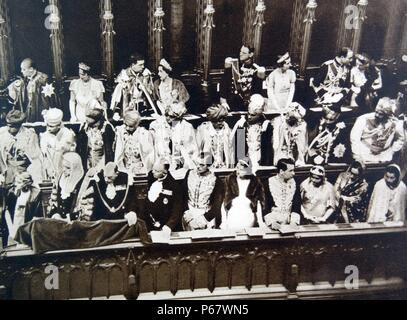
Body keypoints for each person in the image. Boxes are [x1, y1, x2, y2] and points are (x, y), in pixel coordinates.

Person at [351, 97, 404, 163]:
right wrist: (357, 156)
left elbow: (401, 139)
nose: (377, 115)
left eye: (381, 114)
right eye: (376, 112)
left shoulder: (396, 123)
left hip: (384, 158)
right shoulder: (363, 119)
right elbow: (354, 138)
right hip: (363, 155)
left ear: (388, 115)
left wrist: (392, 151)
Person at [149, 102, 198, 171]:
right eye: (166, 115)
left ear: (179, 117)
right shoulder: (157, 125)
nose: (167, 118)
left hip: (181, 163)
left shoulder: (186, 126)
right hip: (162, 162)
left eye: (171, 116)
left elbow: (191, 149)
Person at [0, 110, 42, 188]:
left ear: (19, 126)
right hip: (6, 172)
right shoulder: (2, 133)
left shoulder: (29, 135)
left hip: (23, 173)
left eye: (12, 126)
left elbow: (36, 158)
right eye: (8, 125)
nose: (9, 129)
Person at [221, 158, 267, 230]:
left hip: (249, 217)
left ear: (248, 170)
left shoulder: (255, 182)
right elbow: (223, 203)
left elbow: (259, 203)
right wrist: (224, 222)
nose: (238, 172)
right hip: (232, 217)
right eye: (237, 168)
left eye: (241, 169)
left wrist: (261, 222)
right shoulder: (229, 180)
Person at [182, 154, 224, 231]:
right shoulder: (189, 174)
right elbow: (183, 195)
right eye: (197, 163)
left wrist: (204, 219)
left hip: (205, 215)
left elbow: (217, 205)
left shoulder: (216, 180)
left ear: (209, 166)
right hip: (189, 213)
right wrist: (186, 211)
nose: (198, 167)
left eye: (201, 165)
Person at [231, 94, 273, 171]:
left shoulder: (266, 125)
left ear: (259, 115)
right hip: (245, 160)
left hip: (260, 159)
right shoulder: (242, 124)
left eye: (253, 115)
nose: (249, 117)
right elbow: (239, 148)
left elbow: (268, 148)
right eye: (249, 114)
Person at [7, 58, 57, 122]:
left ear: (31, 69)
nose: (21, 71)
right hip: (28, 111)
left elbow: (48, 99)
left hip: (40, 111)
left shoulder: (43, 79)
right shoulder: (24, 80)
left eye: (24, 69)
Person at [141, 159, 184, 233]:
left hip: (165, 226)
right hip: (149, 224)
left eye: (157, 171)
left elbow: (177, 209)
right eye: (153, 169)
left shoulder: (174, 186)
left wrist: (169, 225)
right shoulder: (150, 177)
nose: (153, 172)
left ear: (165, 172)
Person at [307, 93, 351, 165]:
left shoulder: (342, 130)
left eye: (331, 119)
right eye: (325, 118)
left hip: (333, 162)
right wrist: (315, 156)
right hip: (315, 160)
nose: (327, 121)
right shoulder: (317, 126)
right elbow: (311, 146)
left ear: (338, 115)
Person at [220, 45, 266, 111]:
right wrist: (223, 101)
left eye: (244, 53)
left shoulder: (256, 69)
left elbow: (257, 91)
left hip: (248, 105)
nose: (240, 54)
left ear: (251, 54)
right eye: (240, 52)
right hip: (231, 103)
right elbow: (224, 84)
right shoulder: (234, 66)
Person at [2, 172, 43, 247]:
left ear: (25, 183)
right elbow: (8, 209)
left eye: (18, 182)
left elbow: (37, 212)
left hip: (27, 220)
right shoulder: (12, 192)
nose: (15, 184)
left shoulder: (35, 193)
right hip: (15, 219)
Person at [110, 53, 155, 118]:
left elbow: (150, 91)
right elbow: (117, 94)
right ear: (133, 65)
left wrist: (144, 87)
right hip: (128, 105)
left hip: (142, 104)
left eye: (143, 64)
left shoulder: (145, 74)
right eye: (140, 65)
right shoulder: (124, 74)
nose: (143, 66)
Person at [263, 158, 301, 230]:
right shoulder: (268, 183)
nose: (294, 173)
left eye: (293, 170)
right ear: (281, 171)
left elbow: (297, 204)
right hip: (272, 222)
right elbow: (265, 205)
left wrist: (294, 222)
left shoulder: (295, 183)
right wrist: (272, 222)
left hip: (289, 223)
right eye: (290, 171)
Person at [39, 108, 77, 181]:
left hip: (64, 171)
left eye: (51, 126)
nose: (48, 128)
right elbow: (44, 157)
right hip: (50, 172)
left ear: (59, 125)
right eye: (47, 125)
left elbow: (71, 156)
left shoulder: (68, 135)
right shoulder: (44, 136)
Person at [114, 110, 155, 177]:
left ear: (137, 124)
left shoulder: (144, 134)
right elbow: (118, 153)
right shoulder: (121, 132)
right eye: (125, 125)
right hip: (125, 170)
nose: (127, 128)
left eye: (130, 126)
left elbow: (149, 155)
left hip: (140, 170)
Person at [76, 107, 115, 172]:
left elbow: (110, 149)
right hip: (89, 161)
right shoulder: (84, 128)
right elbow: (81, 147)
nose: (93, 128)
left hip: (102, 161)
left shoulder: (107, 128)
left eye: (94, 125)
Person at [48, 152, 84, 221]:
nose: (64, 169)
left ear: (75, 168)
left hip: (75, 224)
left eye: (68, 168)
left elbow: (83, 210)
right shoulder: (61, 180)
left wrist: (69, 218)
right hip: (59, 221)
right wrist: (56, 214)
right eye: (63, 166)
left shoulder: (82, 183)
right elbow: (55, 202)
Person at [196, 104, 234, 169]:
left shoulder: (228, 130)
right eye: (217, 120)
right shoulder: (203, 129)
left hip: (224, 166)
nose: (220, 122)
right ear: (211, 119)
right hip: (207, 167)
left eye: (223, 119)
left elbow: (231, 153)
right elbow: (197, 150)